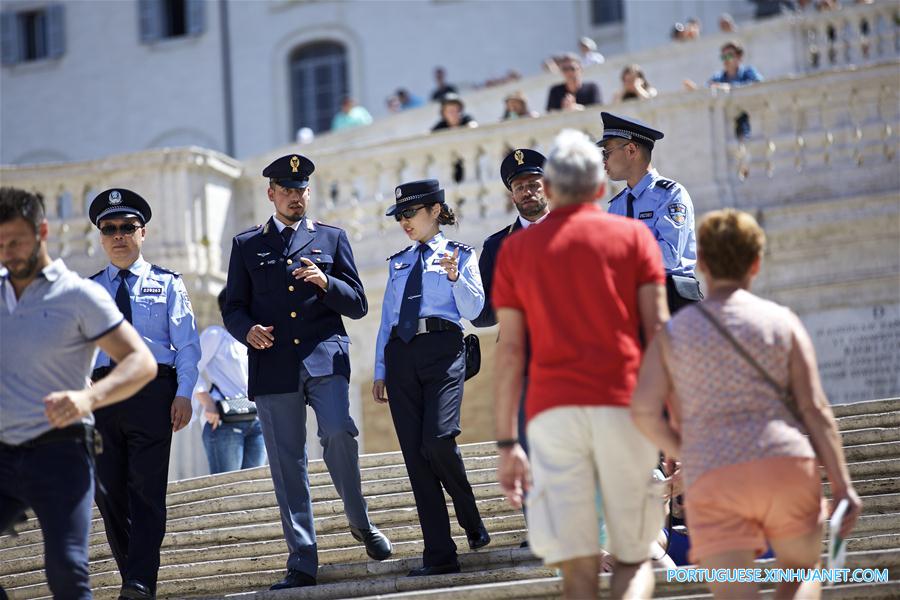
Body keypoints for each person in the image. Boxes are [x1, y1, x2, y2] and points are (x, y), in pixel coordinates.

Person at [631, 209, 862, 599]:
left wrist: (684, 450)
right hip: (785, 464)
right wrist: (842, 486)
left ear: (701, 263)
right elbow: (816, 411)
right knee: (801, 576)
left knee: (735, 590)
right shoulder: (782, 321)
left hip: (718, 472)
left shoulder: (674, 333)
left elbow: (644, 412)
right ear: (756, 263)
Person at [492, 130, 667, 599]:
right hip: (621, 407)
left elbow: (510, 351)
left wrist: (508, 441)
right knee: (632, 557)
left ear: (549, 190)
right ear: (598, 188)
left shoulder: (516, 251)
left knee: (578, 566)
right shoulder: (634, 237)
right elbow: (659, 336)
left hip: (552, 417)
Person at [223, 154, 392, 590]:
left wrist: (325, 282)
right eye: (288, 189)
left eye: (302, 189)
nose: (296, 196)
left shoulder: (332, 239)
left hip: (324, 357)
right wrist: (248, 331)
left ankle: (360, 521)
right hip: (274, 364)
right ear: (272, 194)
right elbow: (233, 306)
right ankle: (302, 558)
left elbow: (357, 303)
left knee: (338, 431)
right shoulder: (247, 245)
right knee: (286, 461)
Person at [0, 188, 157, 600]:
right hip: (2, 450)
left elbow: (141, 363)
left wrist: (88, 399)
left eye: (15, 241)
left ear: (42, 233)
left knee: (67, 572)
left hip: (60, 451)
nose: (8, 252)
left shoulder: (79, 295)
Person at [86, 188, 200, 600]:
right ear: (101, 236)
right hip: (102, 394)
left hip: (153, 390)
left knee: (146, 490)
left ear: (142, 232)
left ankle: (139, 582)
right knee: (108, 491)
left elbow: (187, 344)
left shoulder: (168, 283)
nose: (118, 235)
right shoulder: (89, 290)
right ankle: (132, 577)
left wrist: (184, 393)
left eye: (127, 228)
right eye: (110, 228)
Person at [372, 179, 490, 577]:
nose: (404, 222)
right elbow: (388, 319)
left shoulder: (461, 254)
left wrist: (458, 278)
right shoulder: (398, 261)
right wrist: (380, 369)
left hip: (444, 348)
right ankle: (439, 556)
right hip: (402, 354)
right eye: (399, 216)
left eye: (410, 214)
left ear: (435, 211)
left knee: (438, 440)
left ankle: (470, 515)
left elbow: (475, 310)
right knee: (416, 459)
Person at [472, 149, 548, 548]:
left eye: (533, 183)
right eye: (520, 187)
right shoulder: (497, 245)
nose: (528, 191)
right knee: (526, 442)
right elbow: (484, 315)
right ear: (511, 195)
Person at [599, 111, 701, 314]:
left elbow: (670, 255)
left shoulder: (671, 194)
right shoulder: (616, 206)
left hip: (670, 302)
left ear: (630, 150)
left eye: (607, 153)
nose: (603, 161)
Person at [194, 288, 266, 475]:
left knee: (255, 487)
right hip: (225, 421)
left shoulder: (254, 340)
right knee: (229, 486)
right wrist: (207, 402)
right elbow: (189, 368)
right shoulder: (215, 335)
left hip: (257, 420)